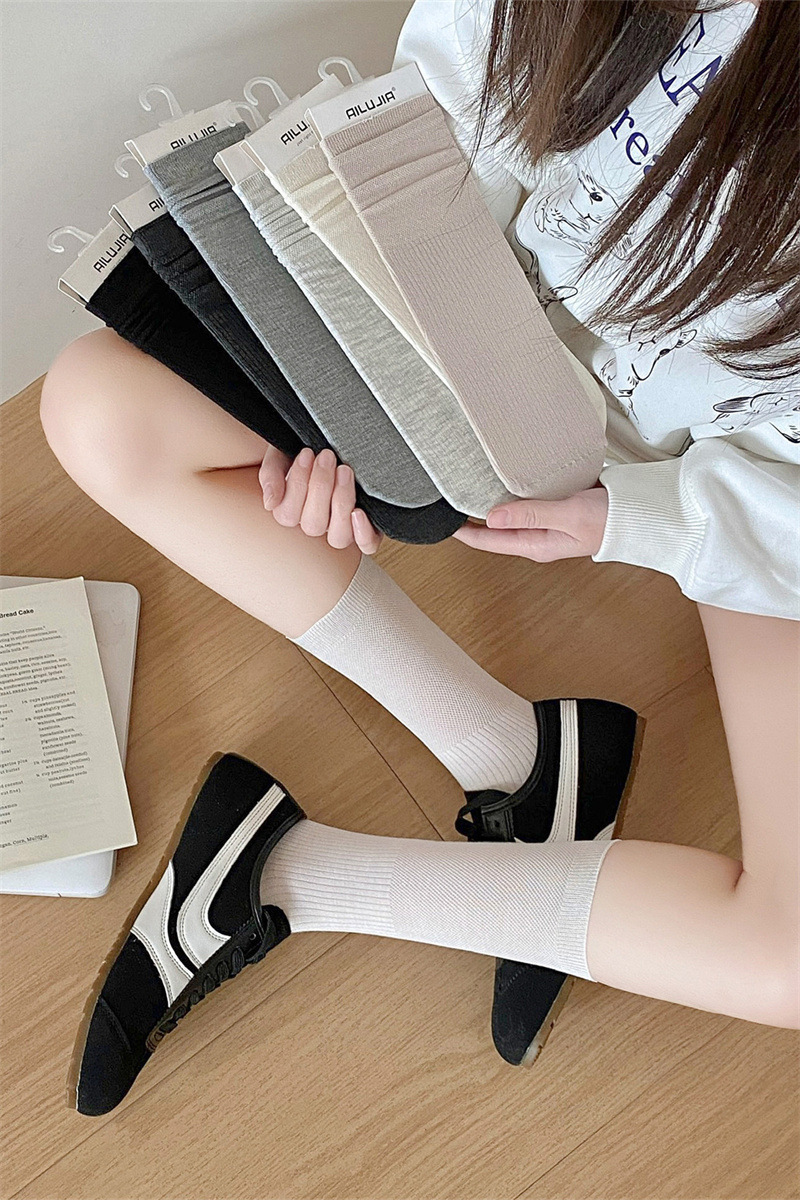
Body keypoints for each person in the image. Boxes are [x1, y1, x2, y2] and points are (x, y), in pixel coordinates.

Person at [39, 0, 798, 1119]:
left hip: (746, 490)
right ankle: (517, 752)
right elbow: (422, 139)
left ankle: (291, 874)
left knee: (789, 957)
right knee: (96, 405)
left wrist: (638, 522)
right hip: (490, 369)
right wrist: (358, 415)